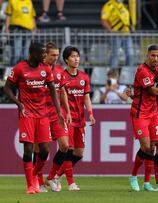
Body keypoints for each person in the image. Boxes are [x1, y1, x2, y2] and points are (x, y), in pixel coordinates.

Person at [4, 42, 64, 194]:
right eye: (42, 53)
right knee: (28, 150)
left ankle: (34, 175)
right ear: (32, 54)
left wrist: (59, 112)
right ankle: (30, 185)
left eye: (45, 53)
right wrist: (18, 103)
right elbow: (7, 88)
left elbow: (52, 91)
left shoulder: (45, 69)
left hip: (43, 114)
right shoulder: (19, 68)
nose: (45, 56)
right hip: (27, 114)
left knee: (45, 150)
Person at [129, 45, 158, 192]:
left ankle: (147, 183)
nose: (156, 59)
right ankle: (133, 176)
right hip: (140, 113)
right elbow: (154, 91)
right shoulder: (142, 71)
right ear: (147, 55)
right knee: (145, 146)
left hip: (153, 113)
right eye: (153, 55)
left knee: (152, 148)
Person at [52, 46, 96, 191]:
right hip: (67, 118)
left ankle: (56, 176)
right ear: (66, 60)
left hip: (80, 119)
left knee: (79, 153)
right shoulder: (61, 76)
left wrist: (90, 113)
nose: (76, 59)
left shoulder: (84, 77)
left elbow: (86, 97)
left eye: (77, 56)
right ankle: (71, 183)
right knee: (69, 149)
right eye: (72, 56)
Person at [36, 42, 71, 192]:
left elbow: (62, 92)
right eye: (53, 55)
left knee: (65, 146)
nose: (56, 58)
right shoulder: (36, 70)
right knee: (42, 149)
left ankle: (50, 177)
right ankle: (38, 181)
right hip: (40, 114)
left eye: (57, 55)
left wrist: (67, 111)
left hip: (57, 114)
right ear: (45, 55)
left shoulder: (59, 71)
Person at [101, 0, 135, 69]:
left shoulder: (122, 5)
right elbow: (103, 20)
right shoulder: (108, 5)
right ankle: (113, 77)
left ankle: (129, 75)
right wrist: (111, 31)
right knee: (115, 56)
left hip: (127, 34)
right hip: (116, 35)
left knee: (130, 55)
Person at [5, 0, 36, 65]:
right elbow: (8, 16)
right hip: (16, 29)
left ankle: (24, 69)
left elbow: (32, 16)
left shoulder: (29, 1)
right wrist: (7, 29)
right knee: (17, 53)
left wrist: (34, 29)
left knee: (26, 54)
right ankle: (14, 68)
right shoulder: (12, 1)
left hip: (28, 30)